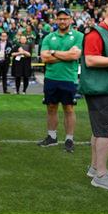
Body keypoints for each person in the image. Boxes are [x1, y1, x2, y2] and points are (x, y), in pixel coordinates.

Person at [79, 0, 108, 191]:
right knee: (106, 132)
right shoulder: (96, 33)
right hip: (102, 90)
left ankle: (95, 168)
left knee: (99, 131)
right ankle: (101, 175)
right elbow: (90, 60)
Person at [39, 8, 84, 152]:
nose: (62, 21)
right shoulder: (48, 37)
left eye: (65, 18)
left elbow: (75, 56)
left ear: (71, 20)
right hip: (51, 78)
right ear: (55, 20)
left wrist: (53, 53)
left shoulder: (79, 36)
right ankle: (51, 137)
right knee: (51, 107)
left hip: (69, 78)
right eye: (60, 18)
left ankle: (69, 139)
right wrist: (65, 55)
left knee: (68, 108)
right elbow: (44, 58)